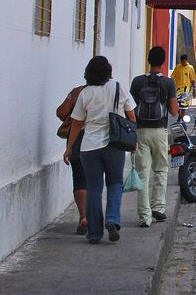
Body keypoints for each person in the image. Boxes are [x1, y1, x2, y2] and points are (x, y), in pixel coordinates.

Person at [64, 56, 136, 244]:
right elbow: (131, 115)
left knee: (94, 188)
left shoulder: (85, 93)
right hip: (115, 145)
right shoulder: (119, 88)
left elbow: (77, 124)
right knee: (114, 184)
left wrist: (69, 148)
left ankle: (95, 232)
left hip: (89, 147)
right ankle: (112, 219)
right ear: (109, 71)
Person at [130, 46, 179, 228]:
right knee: (161, 170)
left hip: (141, 131)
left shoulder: (137, 82)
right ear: (163, 61)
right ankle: (158, 207)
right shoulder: (168, 83)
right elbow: (174, 111)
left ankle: (144, 216)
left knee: (142, 173)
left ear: (148, 60)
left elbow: (131, 108)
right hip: (159, 132)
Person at [55, 80, 88, 235]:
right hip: (99, 139)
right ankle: (96, 215)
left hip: (77, 138)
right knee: (95, 179)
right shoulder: (108, 91)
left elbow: (61, 113)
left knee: (79, 178)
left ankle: (83, 216)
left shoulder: (77, 92)